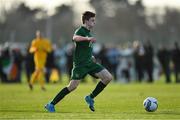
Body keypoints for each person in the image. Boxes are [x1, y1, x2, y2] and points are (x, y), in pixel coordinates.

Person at [45, 11, 113, 112]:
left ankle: (90, 97)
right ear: (86, 21)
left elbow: (85, 48)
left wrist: (91, 56)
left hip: (90, 63)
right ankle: (51, 104)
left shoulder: (88, 33)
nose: (94, 22)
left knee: (108, 77)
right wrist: (87, 38)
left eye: (94, 20)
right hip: (80, 65)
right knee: (72, 87)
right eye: (92, 20)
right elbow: (75, 38)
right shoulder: (81, 31)